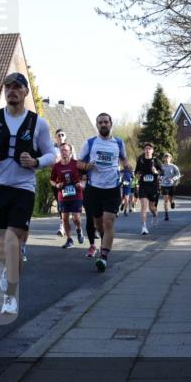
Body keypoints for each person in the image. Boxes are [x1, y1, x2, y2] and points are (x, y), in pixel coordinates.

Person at [0, 73, 56, 315]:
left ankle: (10, 295)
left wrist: (36, 161)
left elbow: (52, 154)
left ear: (26, 92)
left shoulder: (38, 123)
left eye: (17, 87)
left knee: (12, 241)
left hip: (23, 189)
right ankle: (8, 269)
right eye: (8, 87)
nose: (12, 91)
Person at [76, 113, 127, 272]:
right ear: (97, 125)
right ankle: (105, 240)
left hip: (112, 189)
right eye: (100, 122)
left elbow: (124, 159)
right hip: (94, 190)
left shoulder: (119, 143)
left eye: (106, 122)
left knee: (108, 222)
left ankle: (103, 256)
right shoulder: (90, 143)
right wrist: (87, 166)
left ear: (111, 124)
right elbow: (78, 163)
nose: (103, 124)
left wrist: (127, 166)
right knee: (98, 223)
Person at [50, 142, 85, 249]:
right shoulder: (57, 166)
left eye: (65, 150)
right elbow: (51, 180)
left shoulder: (76, 164)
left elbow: (84, 177)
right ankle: (69, 240)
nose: (63, 152)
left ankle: (79, 229)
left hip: (76, 194)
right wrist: (56, 185)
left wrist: (81, 184)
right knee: (64, 218)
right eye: (62, 150)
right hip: (63, 195)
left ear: (70, 152)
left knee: (76, 217)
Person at [134, 143, 164, 235]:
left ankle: (155, 214)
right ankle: (144, 227)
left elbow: (162, 172)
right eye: (146, 148)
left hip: (153, 187)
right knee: (143, 206)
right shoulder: (140, 160)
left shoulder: (156, 161)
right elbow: (136, 171)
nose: (147, 150)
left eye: (149, 149)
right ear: (144, 150)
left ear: (152, 151)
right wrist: (137, 175)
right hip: (143, 186)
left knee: (152, 208)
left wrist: (156, 172)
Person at [53, 128, 67, 237]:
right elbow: (52, 162)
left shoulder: (69, 147)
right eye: (59, 135)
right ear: (55, 137)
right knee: (60, 202)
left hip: (68, 180)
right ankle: (62, 226)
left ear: (65, 137)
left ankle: (68, 225)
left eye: (62, 135)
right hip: (56, 180)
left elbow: (74, 162)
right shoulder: (52, 148)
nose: (60, 136)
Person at [160, 153, 181, 221]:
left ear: (170, 158)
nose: (167, 159)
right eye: (165, 157)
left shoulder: (174, 166)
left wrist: (173, 179)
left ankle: (172, 202)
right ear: (163, 159)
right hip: (164, 185)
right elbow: (159, 174)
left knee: (170, 199)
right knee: (165, 200)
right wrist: (160, 178)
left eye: (168, 157)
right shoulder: (161, 167)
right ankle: (166, 215)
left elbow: (178, 175)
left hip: (171, 185)